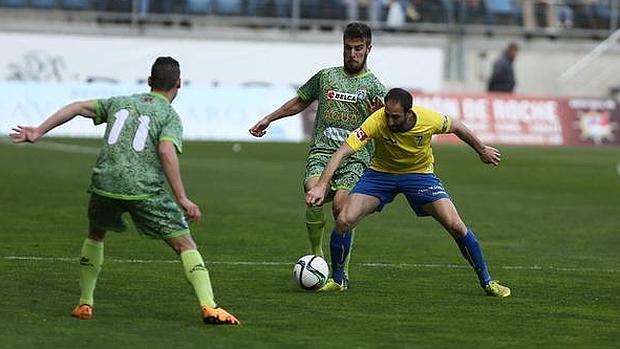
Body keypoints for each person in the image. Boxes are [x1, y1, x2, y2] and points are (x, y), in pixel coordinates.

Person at [10, 57, 240, 325]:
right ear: (179, 83)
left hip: (104, 183)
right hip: (144, 189)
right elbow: (166, 150)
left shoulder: (119, 102)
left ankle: (85, 303)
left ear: (149, 81)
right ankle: (209, 307)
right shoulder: (169, 116)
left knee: (96, 235)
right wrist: (182, 198)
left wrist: (38, 130)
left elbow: (77, 106)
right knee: (184, 244)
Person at [305, 88, 511, 297]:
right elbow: (343, 151)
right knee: (344, 220)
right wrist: (322, 185)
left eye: (396, 117)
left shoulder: (429, 119)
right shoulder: (377, 120)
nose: (390, 121)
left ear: (409, 112)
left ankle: (488, 281)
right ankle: (339, 280)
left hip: (419, 175)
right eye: (387, 115)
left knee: (456, 226)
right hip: (380, 175)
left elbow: (457, 126)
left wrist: (481, 149)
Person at [249, 22, 386, 285]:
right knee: (312, 194)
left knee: (340, 208)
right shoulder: (326, 77)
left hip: (354, 157)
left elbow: (383, 127)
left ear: (369, 49)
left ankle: (341, 271)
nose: (352, 54)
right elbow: (301, 100)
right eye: (348, 48)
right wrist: (270, 118)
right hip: (322, 151)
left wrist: (375, 116)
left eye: (358, 48)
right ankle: (316, 256)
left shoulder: (375, 88)